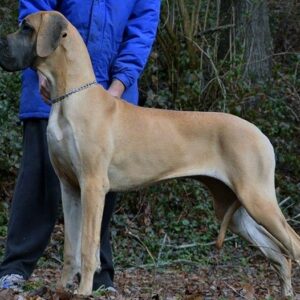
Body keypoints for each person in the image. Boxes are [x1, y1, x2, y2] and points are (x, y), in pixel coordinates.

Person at [0, 0, 160, 291]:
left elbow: (141, 31)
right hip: (47, 91)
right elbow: (37, 10)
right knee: (38, 185)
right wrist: (42, 72)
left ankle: (98, 277)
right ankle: (15, 270)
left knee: (99, 193)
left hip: (109, 91)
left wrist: (119, 85)